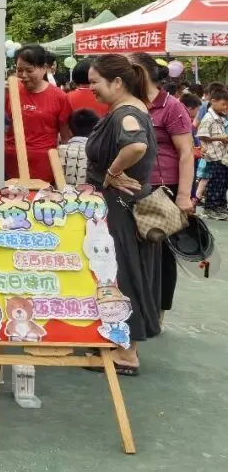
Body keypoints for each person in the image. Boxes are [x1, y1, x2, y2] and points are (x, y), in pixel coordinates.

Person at [85, 54, 161, 372]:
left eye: (94, 83)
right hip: (120, 205)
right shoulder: (129, 109)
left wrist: (113, 172)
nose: (91, 89)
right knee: (122, 271)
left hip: (118, 206)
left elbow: (136, 145)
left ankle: (125, 352)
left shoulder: (126, 113)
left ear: (117, 82)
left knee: (120, 273)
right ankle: (121, 343)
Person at [130, 53, 196, 317]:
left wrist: (183, 196)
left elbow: (186, 152)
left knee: (162, 252)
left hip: (163, 188)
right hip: (131, 188)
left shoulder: (172, 107)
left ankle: (158, 311)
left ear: (140, 72)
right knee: (133, 250)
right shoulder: (129, 103)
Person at [6, 45, 72, 184]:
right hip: (11, 162)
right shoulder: (10, 92)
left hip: (44, 165)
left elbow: (65, 138)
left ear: (44, 68)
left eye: (29, 70)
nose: (23, 75)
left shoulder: (59, 97)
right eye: (19, 70)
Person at [196, 87, 228, 220]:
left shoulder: (219, 117)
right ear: (213, 101)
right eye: (223, 104)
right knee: (215, 183)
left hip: (221, 156)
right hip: (213, 157)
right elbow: (202, 135)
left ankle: (220, 205)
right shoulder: (209, 118)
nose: (225, 107)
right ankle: (211, 207)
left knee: (222, 182)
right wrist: (220, 138)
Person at [60, 108, 99, 186]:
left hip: (63, 195)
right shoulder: (101, 153)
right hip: (94, 196)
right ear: (96, 130)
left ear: (70, 131)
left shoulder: (58, 152)